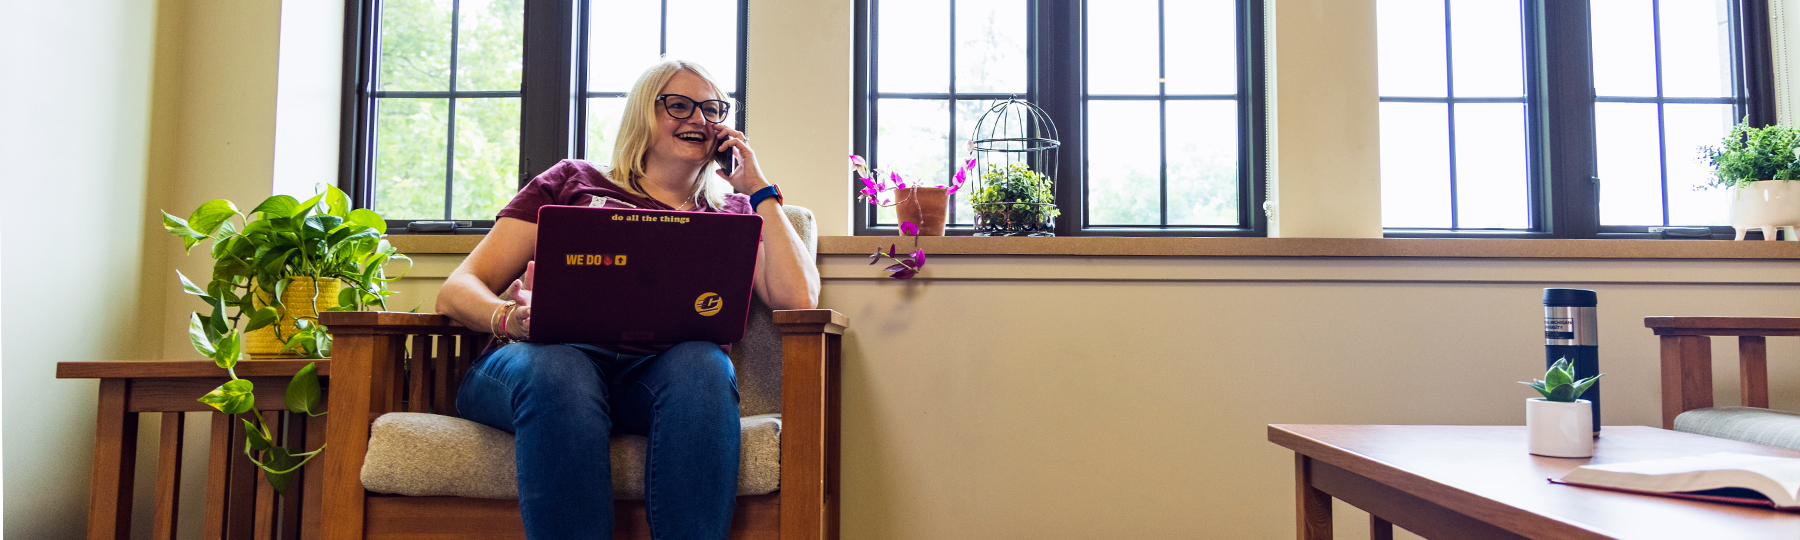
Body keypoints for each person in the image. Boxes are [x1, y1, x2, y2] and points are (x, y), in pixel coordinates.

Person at [433, 59, 819, 540]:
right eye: (678, 105)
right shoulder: (571, 181)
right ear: (642, 113)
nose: (699, 119)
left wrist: (759, 189)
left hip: (648, 386)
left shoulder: (736, 214)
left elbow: (799, 297)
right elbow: (457, 289)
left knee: (703, 362)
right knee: (563, 370)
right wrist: (511, 319)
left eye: (712, 109)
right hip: (539, 370)